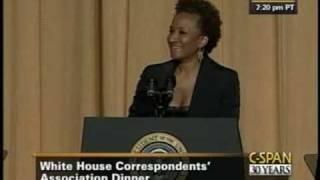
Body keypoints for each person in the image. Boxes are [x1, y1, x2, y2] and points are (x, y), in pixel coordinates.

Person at [129, 0, 240, 118]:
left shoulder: (223, 80)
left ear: (202, 41)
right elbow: (135, 126)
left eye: (182, 33)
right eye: (171, 31)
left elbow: (226, 131)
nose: (172, 38)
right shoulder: (153, 75)